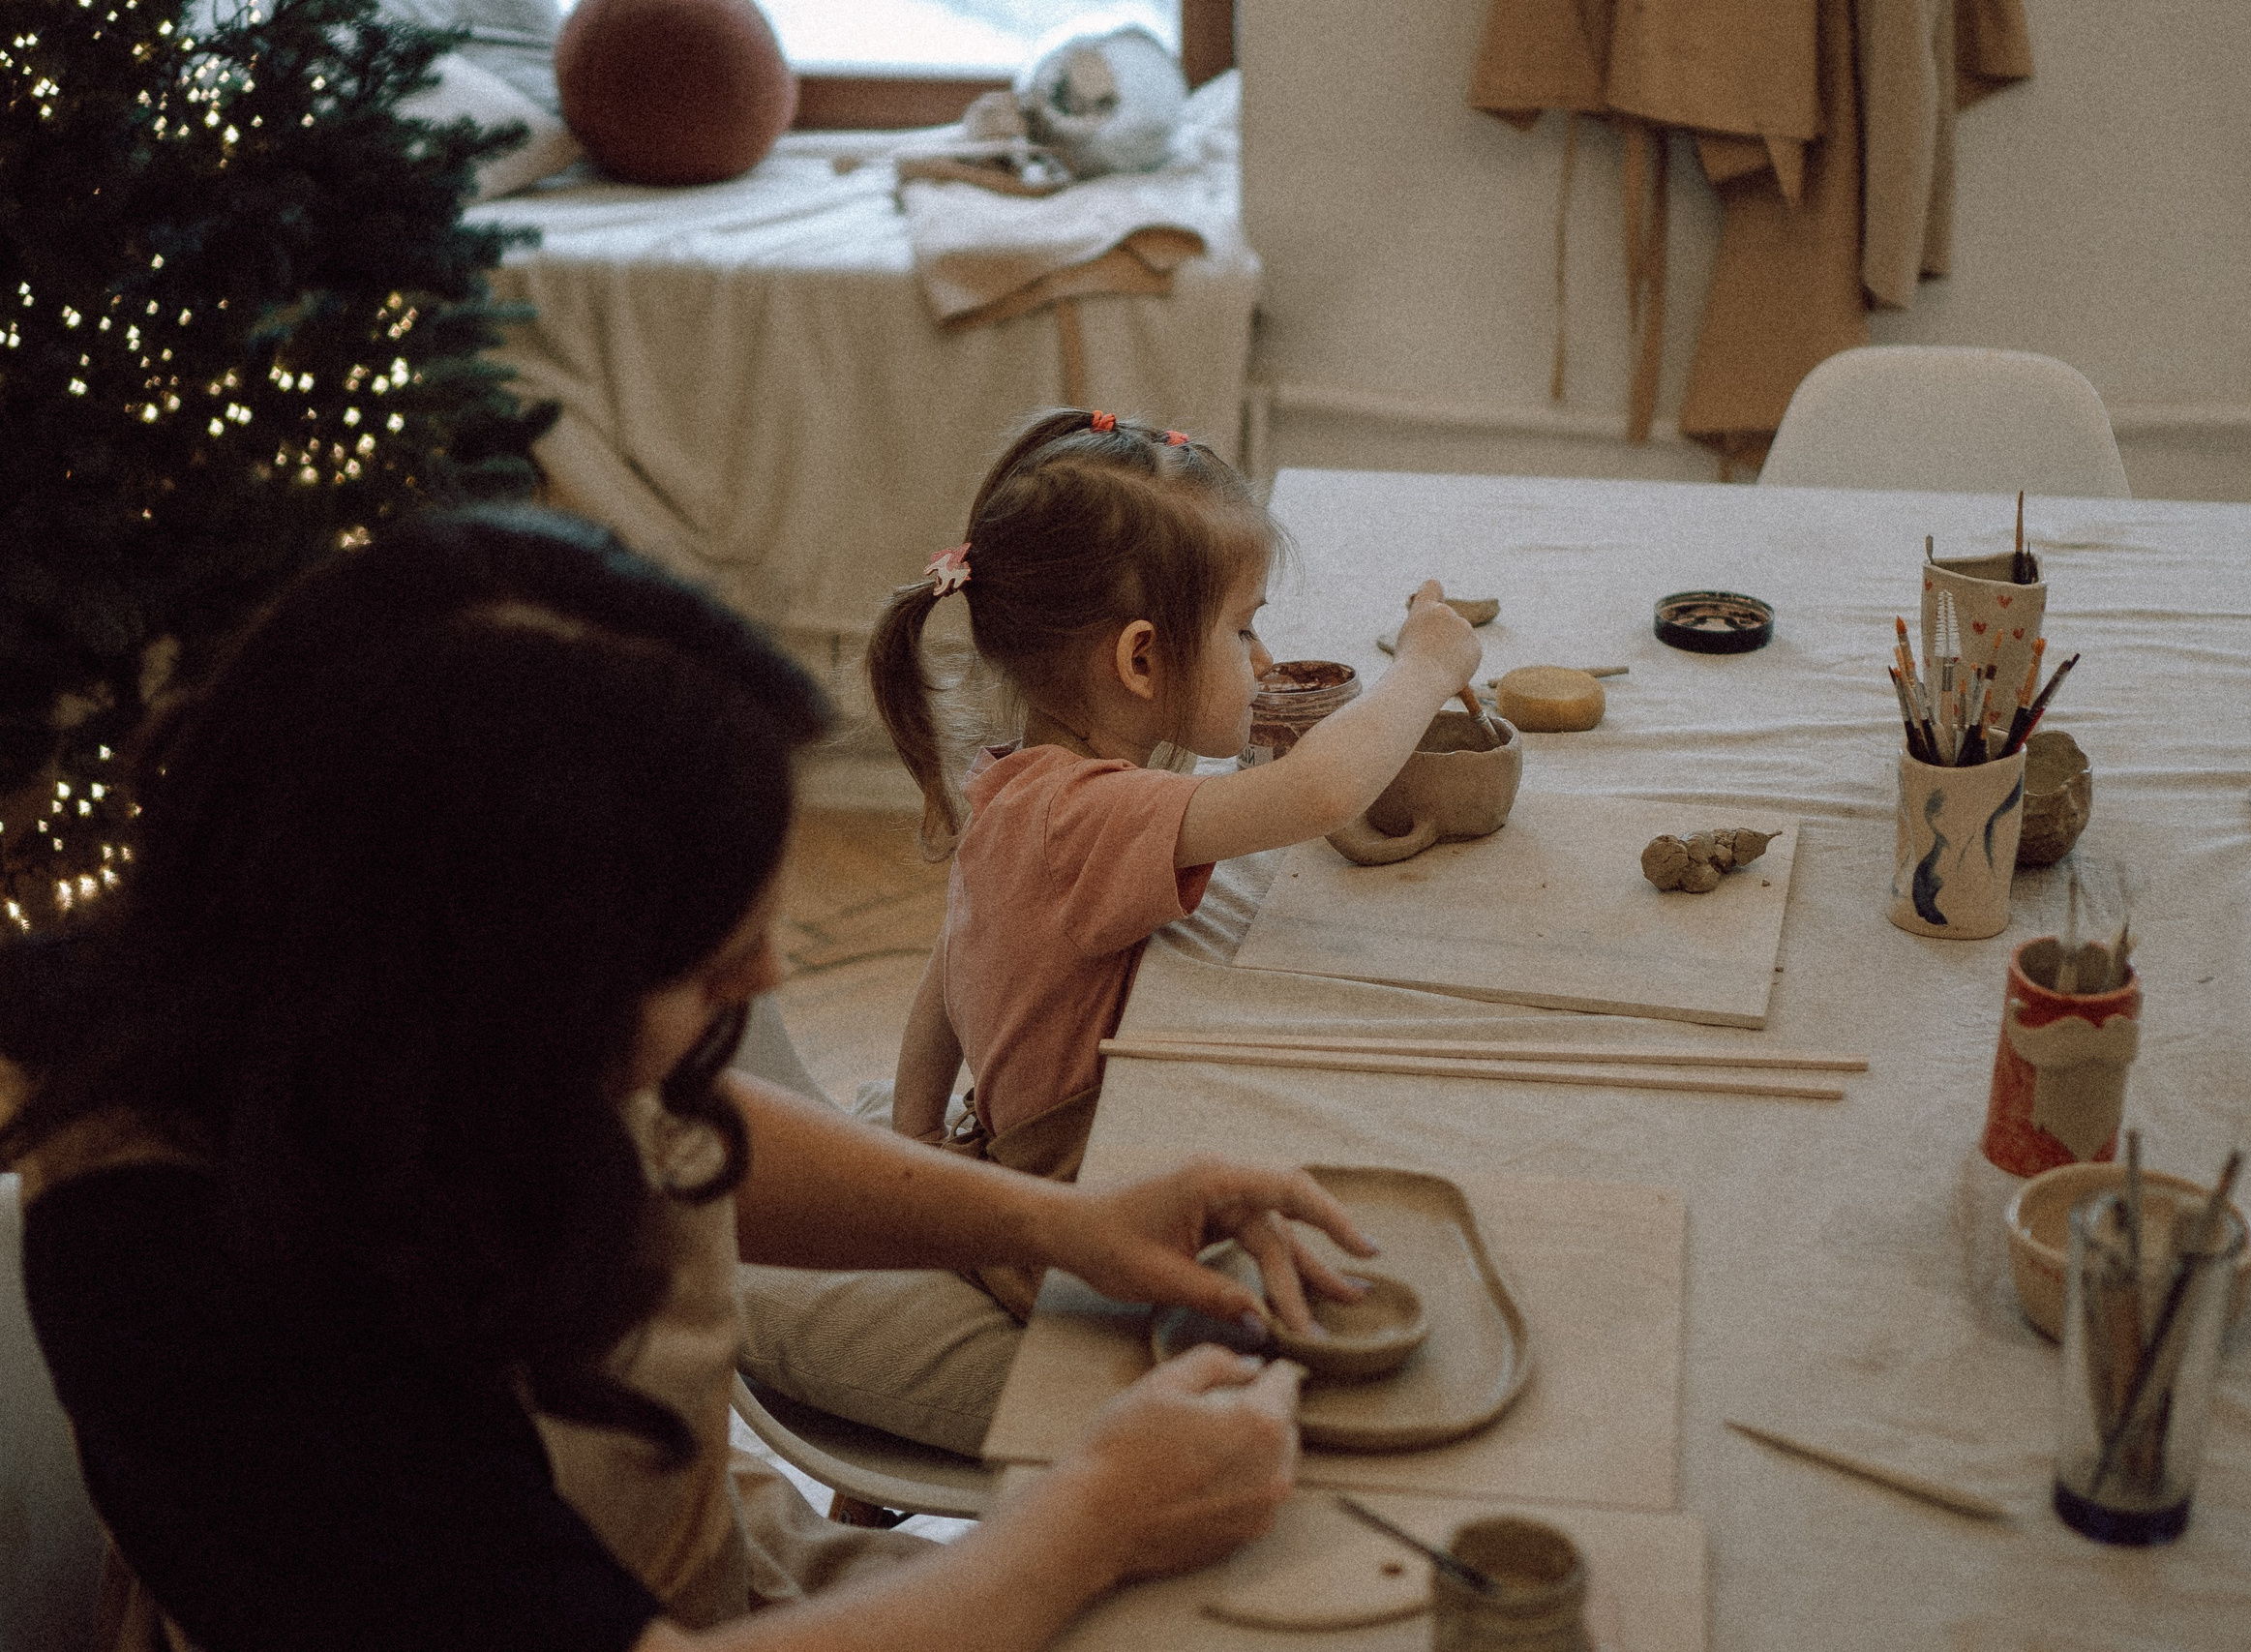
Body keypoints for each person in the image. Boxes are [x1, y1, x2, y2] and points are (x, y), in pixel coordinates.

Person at [0, 504, 1379, 1652]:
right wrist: (1087, 1519)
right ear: (470, 975)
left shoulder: (389, 1026)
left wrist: (1052, 1220)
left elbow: (668, 1122)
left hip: (698, 1570)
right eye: (706, 958)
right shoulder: (177, 1271)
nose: (768, 978)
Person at [736, 409, 1481, 1449]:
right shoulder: (1088, 817)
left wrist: (922, 1147)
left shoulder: (1019, 789)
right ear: (1139, 661)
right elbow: (1321, 790)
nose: (1261, 657)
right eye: (1241, 628)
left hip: (1010, 1158)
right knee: (1348, 1294)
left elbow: (949, 971)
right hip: (1074, 1203)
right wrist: (1425, 668)